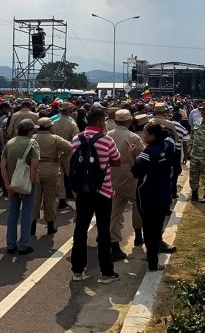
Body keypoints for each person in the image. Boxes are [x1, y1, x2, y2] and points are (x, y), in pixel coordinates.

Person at [69, 108, 121, 283]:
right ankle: (106, 272)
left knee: (80, 229)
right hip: (103, 191)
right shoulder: (107, 140)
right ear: (99, 121)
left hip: (83, 191)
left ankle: (77, 270)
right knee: (103, 231)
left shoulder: (77, 139)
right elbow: (117, 160)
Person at [132, 122, 176, 272]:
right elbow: (170, 137)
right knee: (157, 228)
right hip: (164, 194)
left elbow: (136, 171)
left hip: (148, 196)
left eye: (145, 133)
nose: (143, 136)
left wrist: (135, 155)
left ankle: (152, 262)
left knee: (149, 231)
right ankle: (154, 260)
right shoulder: (167, 146)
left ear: (152, 136)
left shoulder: (148, 152)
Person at [108, 109, 145, 261]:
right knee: (138, 205)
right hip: (130, 175)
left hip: (112, 176)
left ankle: (115, 245)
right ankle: (138, 235)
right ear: (129, 121)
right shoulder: (133, 137)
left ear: (116, 121)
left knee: (114, 213)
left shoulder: (108, 135)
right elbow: (142, 156)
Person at [1, 119, 40, 255]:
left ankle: (10, 245)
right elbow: (34, 166)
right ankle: (24, 245)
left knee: (13, 212)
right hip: (26, 182)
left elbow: (3, 165)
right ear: (29, 131)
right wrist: (29, 185)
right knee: (27, 213)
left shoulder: (10, 143)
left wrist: (7, 184)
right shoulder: (32, 143)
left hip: (12, 182)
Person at [31, 117, 73, 236]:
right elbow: (70, 147)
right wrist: (60, 158)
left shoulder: (32, 138)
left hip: (35, 169)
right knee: (50, 199)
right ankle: (50, 226)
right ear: (50, 127)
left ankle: (32, 227)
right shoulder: (55, 138)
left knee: (34, 199)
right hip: (51, 169)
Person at [53, 102, 80, 206]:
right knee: (72, 175)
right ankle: (77, 196)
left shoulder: (53, 123)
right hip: (69, 151)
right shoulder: (72, 124)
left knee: (59, 177)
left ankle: (61, 199)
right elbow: (76, 139)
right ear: (69, 111)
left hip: (57, 152)